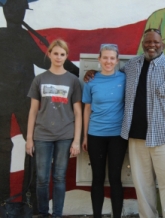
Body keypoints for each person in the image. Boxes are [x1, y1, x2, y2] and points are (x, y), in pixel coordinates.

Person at [84, 28, 165, 218]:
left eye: (155, 42)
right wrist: (94, 73)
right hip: (135, 139)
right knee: (143, 186)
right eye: (148, 42)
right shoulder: (131, 66)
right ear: (143, 43)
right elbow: (111, 74)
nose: (152, 45)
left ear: (162, 44)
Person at [0, 0, 78, 207]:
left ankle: (30, 196)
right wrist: (75, 71)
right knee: (13, 146)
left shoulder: (21, 37)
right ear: (6, 10)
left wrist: (75, 72)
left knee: (31, 145)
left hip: (23, 99)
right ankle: (10, 197)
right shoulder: (9, 36)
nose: (16, 13)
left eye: (20, 9)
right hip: (6, 100)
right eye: (12, 8)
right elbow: (45, 60)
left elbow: (45, 60)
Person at [25, 39, 82, 218]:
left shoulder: (73, 81)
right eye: (55, 53)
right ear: (49, 54)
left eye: (62, 54)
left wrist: (76, 141)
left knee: (59, 178)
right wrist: (29, 139)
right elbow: (33, 111)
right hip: (42, 135)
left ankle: (57, 214)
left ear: (66, 56)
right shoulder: (39, 79)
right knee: (42, 178)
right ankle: (43, 213)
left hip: (65, 135)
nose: (58, 57)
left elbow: (78, 113)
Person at [82, 44, 128, 218]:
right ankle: (97, 215)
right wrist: (85, 136)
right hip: (95, 135)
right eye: (105, 57)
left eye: (112, 58)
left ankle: (117, 215)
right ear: (99, 59)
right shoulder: (91, 81)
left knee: (115, 178)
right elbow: (87, 109)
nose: (108, 61)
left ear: (117, 61)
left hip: (118, 135)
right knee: (97, 178)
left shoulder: (124, 79)